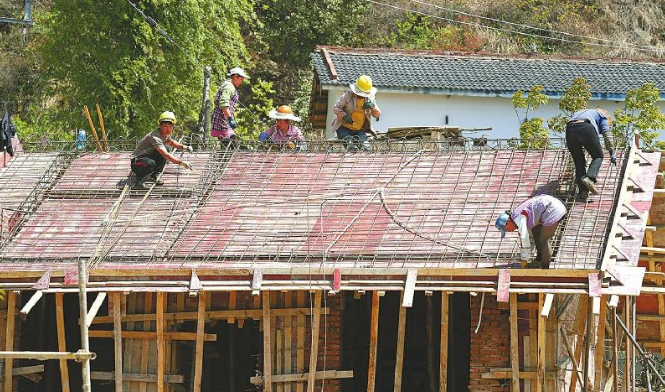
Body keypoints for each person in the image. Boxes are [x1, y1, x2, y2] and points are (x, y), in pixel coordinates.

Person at [495, 194, 567, 269]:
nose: (507, 231)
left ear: (508, 221)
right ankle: (539, 259)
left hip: (553, 209)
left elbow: (525, 241)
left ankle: (545, 269)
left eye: (505, 228)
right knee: (536, 230)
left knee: (544, 240)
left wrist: (524, 261)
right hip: (551, 205)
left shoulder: (518, 219)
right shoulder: (516, 216)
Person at [130, 111, 193, 189]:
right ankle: (138, 180)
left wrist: (184, 147)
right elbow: (166, 155)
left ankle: (155, 175)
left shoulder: (164, 135)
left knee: (166, 147)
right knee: (151, 163)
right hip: (137, 162)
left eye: (170, 126)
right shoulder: (155, 137)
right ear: (159, 126)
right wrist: (182, 163)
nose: (168, 129)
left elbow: (171, 142)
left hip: (147, 157)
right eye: (165, 126)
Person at [565, 108, 616, 199]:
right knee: (598, 156)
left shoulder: (580, 112)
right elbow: (607, 135)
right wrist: (612, 152)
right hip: (585, 127)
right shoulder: (602, 115)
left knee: (579, 162)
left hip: (569, 129)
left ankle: (583, 191)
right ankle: (590, 178)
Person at [332, 74, 381, 151]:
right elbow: (336, 107)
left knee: (366, 148)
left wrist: (372, 106)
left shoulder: (370, 98)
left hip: (359, 129)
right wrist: (344, 116)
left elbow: (377, 114)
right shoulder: (347, 95)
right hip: (344, 128)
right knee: (351, 147)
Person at [211, 67, 250, 147]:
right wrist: (230, 118)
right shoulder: (229, 87)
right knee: (233, 144)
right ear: (235, 76)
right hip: (222, 120)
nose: (242, 82)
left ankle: (226, 158)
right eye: (241, 79)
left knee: (227, 145)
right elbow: (224, 105)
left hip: (223, 120)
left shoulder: (229, 86)